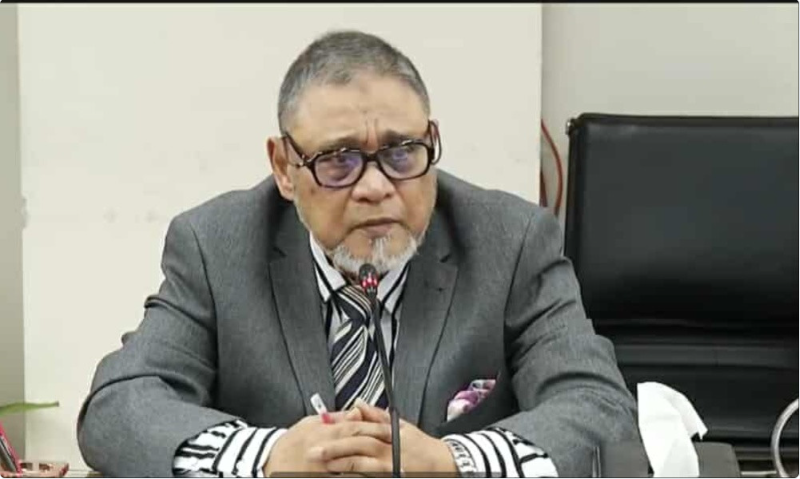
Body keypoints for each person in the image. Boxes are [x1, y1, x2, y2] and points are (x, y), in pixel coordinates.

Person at [77, 29, 639, 478]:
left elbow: (600, 408)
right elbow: (119, 406)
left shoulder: (510, 241)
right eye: (338, 160)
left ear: (431, 140)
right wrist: (268, 455)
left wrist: (453, 460)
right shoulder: (216, 245)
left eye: (402, 152)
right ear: (284, 167)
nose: (375, 187)